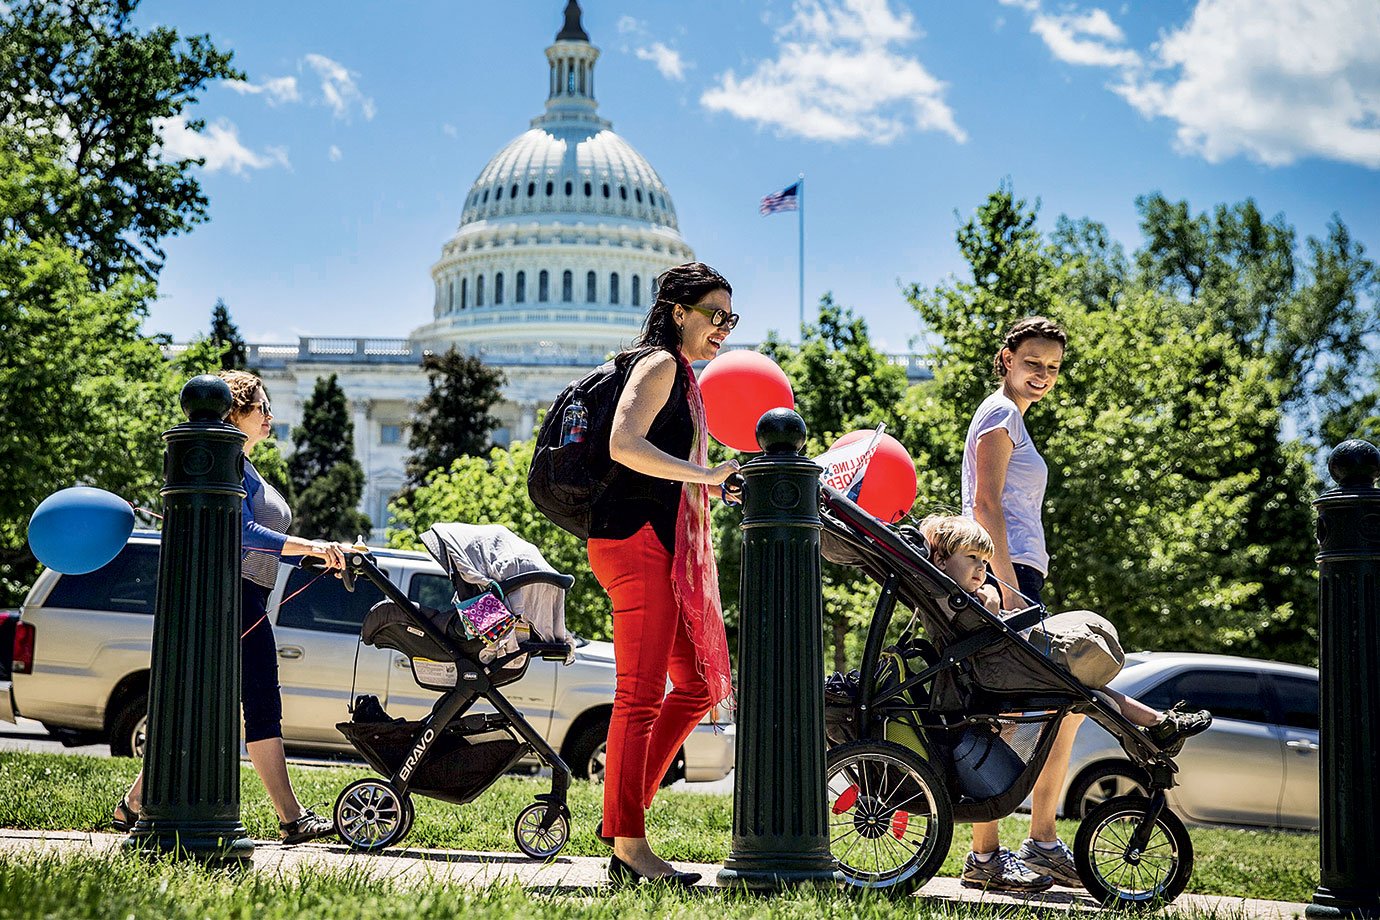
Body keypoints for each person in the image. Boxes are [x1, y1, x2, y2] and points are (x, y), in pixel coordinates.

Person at [958, 317, 1209, 891]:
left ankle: (1042, 843)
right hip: (1007, 575)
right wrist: (1007, 589)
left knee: (1064, 706)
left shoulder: (1011, 418)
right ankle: (987, 856)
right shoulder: (999, 416)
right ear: (1006, 359)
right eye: (1032, 363)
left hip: (1019, 573)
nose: (1042, 375)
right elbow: (985, 505)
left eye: (1052, 367)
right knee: (1015, 712)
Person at [111, 370, 355, 844]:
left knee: (199, 699)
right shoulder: (226, 464)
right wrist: (310, 545)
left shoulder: (244, 466)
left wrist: (317, 556)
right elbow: (242, 533)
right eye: (261, 407)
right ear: (235, 411)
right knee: (260, 702)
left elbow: (260, 541)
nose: (270, 416)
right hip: (234, 601)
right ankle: (292, 817)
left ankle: (134, 802)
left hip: (245, 597)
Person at [587, 262, 740, 885]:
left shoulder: (681, 376)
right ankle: (628, 842)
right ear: (679, 311)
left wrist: (711, 482)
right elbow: (624, 444)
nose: (723, 330)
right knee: (641, 695)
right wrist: (707, 476)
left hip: (656, 544)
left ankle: (625, 813)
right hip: (637, 542)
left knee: (698, 684)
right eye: (715, 316)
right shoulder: (659, 364)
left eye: (731, 319)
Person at [919, 514, 1210, 742]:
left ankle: (1157, 724)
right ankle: (1157, 725)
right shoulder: (945, 597)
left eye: (984, 561)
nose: (982, 569)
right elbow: (983, 618)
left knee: (1087, 691)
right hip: (997, 669)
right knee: (1083, 688)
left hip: (1005, 661)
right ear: (942, 560)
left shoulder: (952, 593)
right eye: (972, 558)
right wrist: (993, 597)